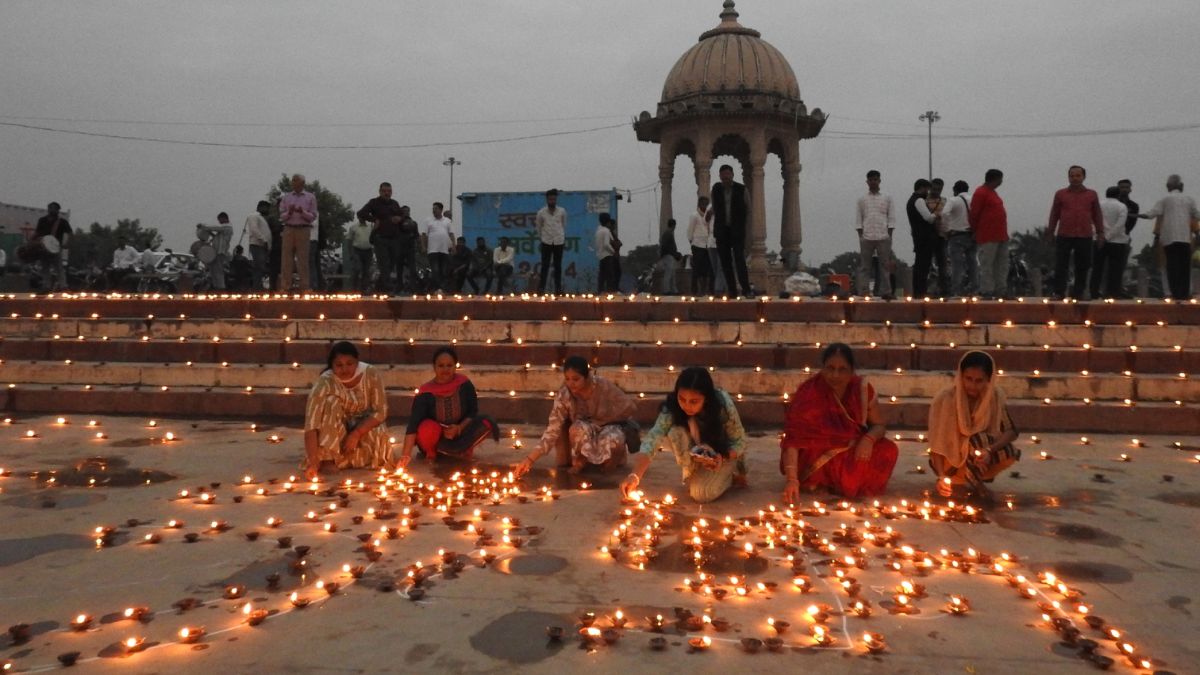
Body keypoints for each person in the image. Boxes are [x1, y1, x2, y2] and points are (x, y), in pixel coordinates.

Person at [779, 343, 898, 502]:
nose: (835, 375)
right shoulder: (808, 392)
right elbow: (793, 440)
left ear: (851, 371)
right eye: (830, 368)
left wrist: (868, 440)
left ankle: (838, 484)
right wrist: (792, 480)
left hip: (851, 447)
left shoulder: (862, 390)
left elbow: (879, 425)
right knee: (811, 451)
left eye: (842, 369)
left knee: (888, 450)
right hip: (817, 453)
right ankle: (822, 481)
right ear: (822, 368)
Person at [620, 367, 748, 504]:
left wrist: (722, 457)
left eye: (694, 401)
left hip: (724, 455)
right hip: (698, 455)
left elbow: (740, 442)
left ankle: (729, 475)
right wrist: (635, 475)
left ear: (706, 399)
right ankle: (694, 472)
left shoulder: (722, 405)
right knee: (675, 432)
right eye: (682, 399)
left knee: (701, 494)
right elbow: (653, 438)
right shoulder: (672, 406)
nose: (686, 406)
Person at [513, 356, 639, 476]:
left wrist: (605, 419)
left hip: (609, 425)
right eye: (567, 379)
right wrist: (530, 460)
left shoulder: (603, 385)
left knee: (614, 437)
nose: (570, 384)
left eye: (576, 379)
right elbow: (553, 429)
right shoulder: (565, 394)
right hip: (585, 428)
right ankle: (581, 460)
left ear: (587, 377)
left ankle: (610, 462)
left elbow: (630, 407)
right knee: (576, 429)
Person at [927, 351, 1020, 499]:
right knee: (974, 440)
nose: (972, 385)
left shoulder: (994, 396)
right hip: (949, 462)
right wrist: (941, 477)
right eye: (968, 379)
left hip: (979, 457)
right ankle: (969, 483)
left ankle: (975, 480)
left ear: (989, 380)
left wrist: (989, 451)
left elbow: (1011, 431)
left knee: (1008, 450)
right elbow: (936, 444)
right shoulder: (945, 398)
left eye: (979, 381)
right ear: (960, 376)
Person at [397, 346, 499, 468]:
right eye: (441, 366)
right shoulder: (426, 392)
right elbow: (413, 425)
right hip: (436, 439)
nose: (445, 369)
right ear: (434, 367)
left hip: (460, 434)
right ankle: (433, 454)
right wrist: (405, 456)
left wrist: (459, 428)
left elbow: (472, 412)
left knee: (486, 422)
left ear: (455, 366)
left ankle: (461, 450)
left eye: (449, 365)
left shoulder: (464, 384)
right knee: (426, 428)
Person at [302, 341, 391, 480]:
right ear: (332, 365)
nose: (345, 369)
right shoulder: (325, 381)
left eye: (350, 364)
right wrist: (313, 462)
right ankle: (328, 459)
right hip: (336, 429)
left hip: (364, 427)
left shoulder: (371, 373)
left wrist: (356, 433)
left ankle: (356, 458)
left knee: (377, 431)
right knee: (331, 403)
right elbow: (311, 424)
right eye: (339, 365)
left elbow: (381, 411)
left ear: (357, 361)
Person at [1047, 165, 1105, 300]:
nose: (1074, 178)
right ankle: (1059, 292)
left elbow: (1097, 215)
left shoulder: (1091, 194)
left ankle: (1079, 292)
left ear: (1084, 177)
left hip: (1084, 234)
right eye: (1072, 176)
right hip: (1064, 234)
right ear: (1068, 177)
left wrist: (1100, 232)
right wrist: (1050, 232)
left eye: (1078, 175)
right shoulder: (1060, 194)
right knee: (1061, 265)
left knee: (1083, 265)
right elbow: (1054, 213)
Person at [1140, 174, 1200, 300]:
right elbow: (1197, 214)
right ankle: (1184, 294)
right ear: (1181, 186)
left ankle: (1175, 293)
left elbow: (1152, 214)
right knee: (1184, 267)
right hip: (1185, 239)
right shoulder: (1189, 200)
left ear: (1168, 186)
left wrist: (1139, 215)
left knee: (1172, 266)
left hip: (1169, 239)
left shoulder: (1164, 199)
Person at [710, 165, 753, 297]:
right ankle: (732, 290)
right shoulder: (716, 190)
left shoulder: (742, 190)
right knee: (725, 262)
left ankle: (746, 289)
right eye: (723, 175)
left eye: (728, 174)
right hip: (722, 231)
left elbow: (748, 210)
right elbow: (715, 207)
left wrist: (747, 231)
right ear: (720, 176)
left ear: (733, 175)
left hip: (737, 231)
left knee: (740, 260)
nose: (726, 177)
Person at [357, 182, 404, 293]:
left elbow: (402, 215)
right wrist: (374, 220)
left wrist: (399, 218)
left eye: (389, 191)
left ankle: (379, 286)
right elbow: (361, 213)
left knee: (392, 262)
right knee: (384, 263)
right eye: (384, 191)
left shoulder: (394, 203)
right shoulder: (374, 202)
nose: (387, 193)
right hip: (380, 237)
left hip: (393, 238)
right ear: (380, 191)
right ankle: (386, 288)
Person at [855, 170, 895, 299]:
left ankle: (886, 292)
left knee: (885, 266)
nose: (873, 182)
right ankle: (864, 291)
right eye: (871, 180)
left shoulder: (887, 197)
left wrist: (889, 233)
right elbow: (858, 218)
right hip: (867, 236)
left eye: (875, 179)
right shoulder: (862, 199)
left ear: (879, 181)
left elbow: (891, 217)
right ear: (867, 182)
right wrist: (860, 235)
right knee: (865, 267)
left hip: (883, 235)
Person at [970, 169, 1009, 299]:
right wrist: (974, 230)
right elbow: (974, 213)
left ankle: (1000, 289)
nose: (1002, 182)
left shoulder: (993, 193)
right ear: (996, 179)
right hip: (987, 234)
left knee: (1002, 264)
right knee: (987, 263)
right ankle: (987, 290)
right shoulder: (980, 193)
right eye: (1000, 179)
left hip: (1001, 234)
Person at [1090, 186, 1130, 299]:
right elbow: (1120, 224)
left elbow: (1092, 221)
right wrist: (1108, 236)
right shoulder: (1122, 206)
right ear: (1118, 195)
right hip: (1117, 241)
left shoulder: (1099, 205)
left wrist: (1100, 235)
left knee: (1097, 267)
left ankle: (1094, 291)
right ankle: (1112, 293)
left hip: (1098, 239)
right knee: (1115, 269)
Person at [279, 174, 317, 291]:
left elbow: (313, 216)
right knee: (286, 259)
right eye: (293, 181)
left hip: (303, 229)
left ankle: (304, 287)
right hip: (289, 228)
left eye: (297, 181)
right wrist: (289, 212)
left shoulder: (310, 197)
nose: (294, 183)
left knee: (303, 259)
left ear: (303, 183)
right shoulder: (286, 197)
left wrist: (302, 212)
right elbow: (281, 216)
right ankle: (285, 286)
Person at [942, 180, 975, 297]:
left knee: (957, 264)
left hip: (956, 235)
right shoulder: (974, 199)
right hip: (972, 235)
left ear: (955, 190)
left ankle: (956, 290)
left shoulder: (953, 200)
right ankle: (975, 288)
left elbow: (944, 213)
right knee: (973, 263)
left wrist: (947, 229)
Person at [906, 178, 938, 297]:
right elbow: (928, 218)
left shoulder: (911, 200)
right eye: (927, 189)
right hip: (924, 238)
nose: (928, 193)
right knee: (923, 266)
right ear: (922, 188)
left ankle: (918, 291)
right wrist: (937, 214)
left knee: (920, 265)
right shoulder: (919, 200)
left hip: (919, 237)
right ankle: (920, 292)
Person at [34, 201, 72, 291]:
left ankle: (63, 286)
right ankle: (46, 286)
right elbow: (37, 232)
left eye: (53, 208)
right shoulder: (42, 220)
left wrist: (67, 243)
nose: (51, 210)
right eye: (50, 208)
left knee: (59, 268)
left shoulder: (62, 222)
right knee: (45, 267)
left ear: (57, 210)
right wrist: (31, 241)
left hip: (55, 248)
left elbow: (70, 233)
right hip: (43, 247)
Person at [535, 189, 566, 294]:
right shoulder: (541, 213)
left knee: (558, 266)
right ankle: (541, 289)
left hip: (559, 241)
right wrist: (543, 238)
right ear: (547, 200)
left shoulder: (562, 211)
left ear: (556, 199)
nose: (552, 201)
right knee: (545, 266)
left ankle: (558, 289)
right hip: (546, 241)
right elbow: (538, 228)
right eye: (550, 199)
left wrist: (560, 236)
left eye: (554, 199)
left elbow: (564, 225)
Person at [687, 196, 716, 295]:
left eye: (707, 204)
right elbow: (690, 231)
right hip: (697, 245)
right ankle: (695, 290)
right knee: (697, 269)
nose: (705, 206)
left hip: (707, 245)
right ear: (699, 204)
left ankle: (707, 290)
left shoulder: (709, 216)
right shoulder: (694, 215)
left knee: (708, 269)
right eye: (703, 203)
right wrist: (692, 242)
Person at [927, 178, 950, 295]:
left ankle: (944, 289)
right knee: (927, 264)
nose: (937, 191)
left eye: (939, 189)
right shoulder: (924, 201)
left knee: (943, 264)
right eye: (935, 189)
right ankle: (928, 289)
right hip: (928, 236)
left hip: (941, 236)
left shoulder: (945, 201)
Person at [425, 202, 454, 291]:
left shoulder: (447, 221)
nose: (434, 210)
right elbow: (423, 234)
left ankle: (437, 288)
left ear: (441, 210)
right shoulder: (428, 220)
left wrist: (454, 246)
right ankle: (438, 288)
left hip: (444, 250)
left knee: (443, 271)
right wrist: (423, 246)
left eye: (436, 208)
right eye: (433, 209)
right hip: (432, 250)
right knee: (435, 270)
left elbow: (451, 234)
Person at [245, 200, 272, 291]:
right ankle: (257, 287)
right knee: (259, 267)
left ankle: (258, 286)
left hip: (261, 246)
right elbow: (254, 229)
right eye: (267, 208)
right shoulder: (254, 216)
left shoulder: (261, 218)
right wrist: (263, 240)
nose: (268, 210)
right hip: (257, 244)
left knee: (260, 267)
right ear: (261, 207)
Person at [346, 217, 375, 293]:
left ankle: (364, 289)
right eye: (361, 216)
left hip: (368, 251)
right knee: (357, 269)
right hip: (357, 250)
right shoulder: (353, 227)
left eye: (364, 215)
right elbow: (349, 240)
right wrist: (351, 253)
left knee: (366, 271)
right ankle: (353, 288)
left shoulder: (370, 226)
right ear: (358, 217)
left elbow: (374, 238)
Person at [595, 213, 619, 293]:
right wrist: (613, 252)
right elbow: (606, 244)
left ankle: (600, 291)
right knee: (610, 276)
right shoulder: (606, 231)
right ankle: (610, 292)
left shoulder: (598, 231)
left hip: (601, 255)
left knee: (602, 276)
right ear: (608, 222)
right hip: (607, 255)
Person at [656, 219, 680, 294]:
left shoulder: (666, 234)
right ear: (673, 225)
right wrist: (674, 254)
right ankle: (667, 290)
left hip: (668, 255)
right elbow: (666, 246)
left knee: (672, 274)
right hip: (668, 256)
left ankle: (674, 290)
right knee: (669, 274)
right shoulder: (668, 234)